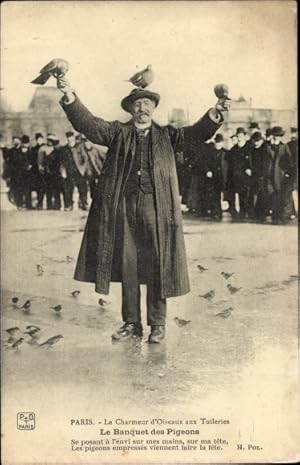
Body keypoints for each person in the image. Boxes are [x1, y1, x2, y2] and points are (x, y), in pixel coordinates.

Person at [57, 75, 230, 343]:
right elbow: (89, 124)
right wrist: (69, 96)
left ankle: (158, 325)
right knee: (129, 267)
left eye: (147, 104)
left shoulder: (168, 136)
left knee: (159, 265)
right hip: (124, 210)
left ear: (153, 108)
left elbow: (197, 133)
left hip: (157, 209)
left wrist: (216, 112)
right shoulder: (117, 132)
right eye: (137, 104)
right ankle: (131, 324)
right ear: (130, 109)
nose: (142, 109)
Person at [264, 126, 294, 224]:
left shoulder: (284, 147)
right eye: (275, 135)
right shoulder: (267, 146)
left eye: (279, 136)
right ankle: (275, 216)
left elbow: (289, 161)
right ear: (272, 135)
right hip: (268, 176)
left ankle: (279, 217)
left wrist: (287, 173)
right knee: (272, 195)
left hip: (279, 175)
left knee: (280, 195)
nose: (277, 137)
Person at [226, 127, 253, 220]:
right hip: (235, 176)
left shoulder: (250, 148)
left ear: (245, 136)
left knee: (245, 195)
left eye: (241, 136)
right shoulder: (233, 150)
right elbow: (230, 164)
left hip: (246, 176)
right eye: (238, 136)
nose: (240, 138)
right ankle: (238, 213)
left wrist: (249, 168)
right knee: (235, 194)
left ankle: (245, 212)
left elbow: (252, 162)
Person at [202, 133, 225, 220]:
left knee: (221, 195)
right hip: (213, 177)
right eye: (217, 142)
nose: (218, 144)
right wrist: (208, 171)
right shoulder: (210, 153)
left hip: (222, 177)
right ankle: (215, 212)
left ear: (222, 143)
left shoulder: (225, 153)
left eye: (220, 142)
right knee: (213, 194)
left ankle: (218, 212)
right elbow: (206, 163)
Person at [249, 132, 270, 222]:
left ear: (262, 141)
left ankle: (262, 214)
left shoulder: (265, 150)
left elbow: (267, 164)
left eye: (258, 141)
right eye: (255, 141)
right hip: (254, 175)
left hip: (263, 176)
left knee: (262, 194)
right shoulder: (252, 150)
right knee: (254, 194)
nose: (256, 143)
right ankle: (256, 213)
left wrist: (263, 175)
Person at [79, 135, 107, 200]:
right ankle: (94, 199)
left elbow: (105, 158)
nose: (87, 144)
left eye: (88, 143)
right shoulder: (83, 151)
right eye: (85, 143)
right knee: (92, 186)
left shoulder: (96, 150)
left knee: (101, 186)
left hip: (99, 170)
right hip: (90, 172)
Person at [38, 134, 62, 210]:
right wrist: (42, 170)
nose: (50, 142)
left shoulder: (58, 149)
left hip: (56, 172)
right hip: (47, 172)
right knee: (48, 189)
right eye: (49, 140)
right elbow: (40, 161)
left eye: (52, 141)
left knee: (57, 190)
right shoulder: (43, 149)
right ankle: (49, 205)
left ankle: (57, 205)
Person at [30, 133, 46, 209]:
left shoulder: (45, 147)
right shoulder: (33, 149)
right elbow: (32, 160)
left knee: (42, 188)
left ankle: (41, 203)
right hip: (36, 172)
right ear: (36, 140)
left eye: (41, 139)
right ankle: (37, 204)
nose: (39, 140)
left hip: (44, 171)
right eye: (38, 139)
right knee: (37, 188)